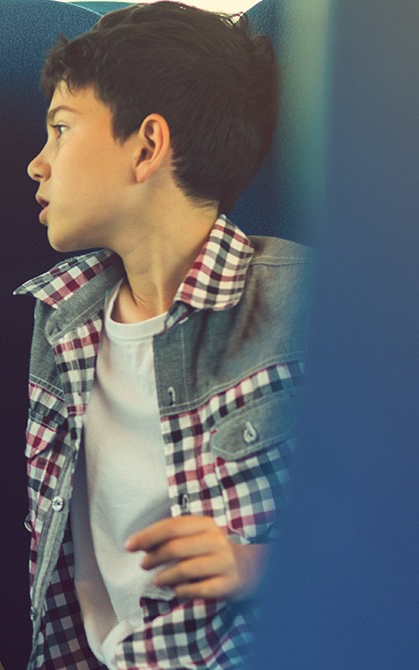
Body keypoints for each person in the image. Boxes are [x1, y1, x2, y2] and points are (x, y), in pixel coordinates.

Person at [16, 3, 309, 669]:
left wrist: (255, 565)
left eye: (60, 129)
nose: (38, 163)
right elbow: (61, 579)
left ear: (147, 146)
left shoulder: (299, 302)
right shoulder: (59, 320)